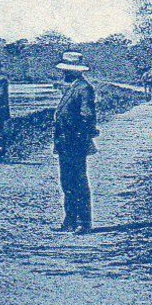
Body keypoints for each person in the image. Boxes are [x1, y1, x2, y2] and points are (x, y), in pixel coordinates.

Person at [52, 51, 98, 233]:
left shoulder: (83, 88)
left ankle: (83, 222)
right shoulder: (72, 87)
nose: (63, 73)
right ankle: (70, 219)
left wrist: (79, 135)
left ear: (74, 71)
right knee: (66, 181)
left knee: (78, 180)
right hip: (64, 141)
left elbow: (87, 116)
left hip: (75, 141)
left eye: (66, 70)